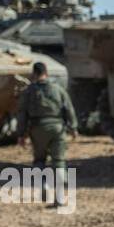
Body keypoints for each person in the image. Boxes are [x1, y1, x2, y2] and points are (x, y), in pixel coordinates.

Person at [16, 61, 76, 203]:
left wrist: (21, 134)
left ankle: (43, 184)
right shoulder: (58, 89)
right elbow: (68, 108)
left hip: (37, 128)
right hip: (57, 127)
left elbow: (22, 114)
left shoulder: (28, 91)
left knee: (39, 159)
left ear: (34, 74)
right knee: (59, 161)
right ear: (46, 73)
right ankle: (61, 197)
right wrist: (73, 127)